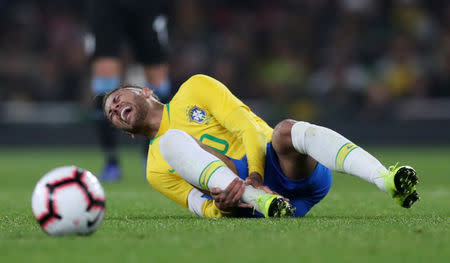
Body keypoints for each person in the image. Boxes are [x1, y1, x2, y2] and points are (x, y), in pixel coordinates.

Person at [102, 74, 420, 218]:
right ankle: (262, 202)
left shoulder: (194, 88)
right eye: (111, 114)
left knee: (285, 131)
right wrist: (221, 207)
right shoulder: (155, 170)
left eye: (117, 99)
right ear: (127, 133)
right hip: (250, 202)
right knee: (171, 143)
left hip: (282, 168)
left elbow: (247, 127)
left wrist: (256, 174)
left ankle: (386, 180)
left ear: (144, 92)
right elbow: (202, 207)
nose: (116, 109)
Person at [88, 0, 171, 182]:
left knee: (159, 80)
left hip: (144, 6)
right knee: (104, 79)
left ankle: (152, 157)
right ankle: (111, 162)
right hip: (107, 6)